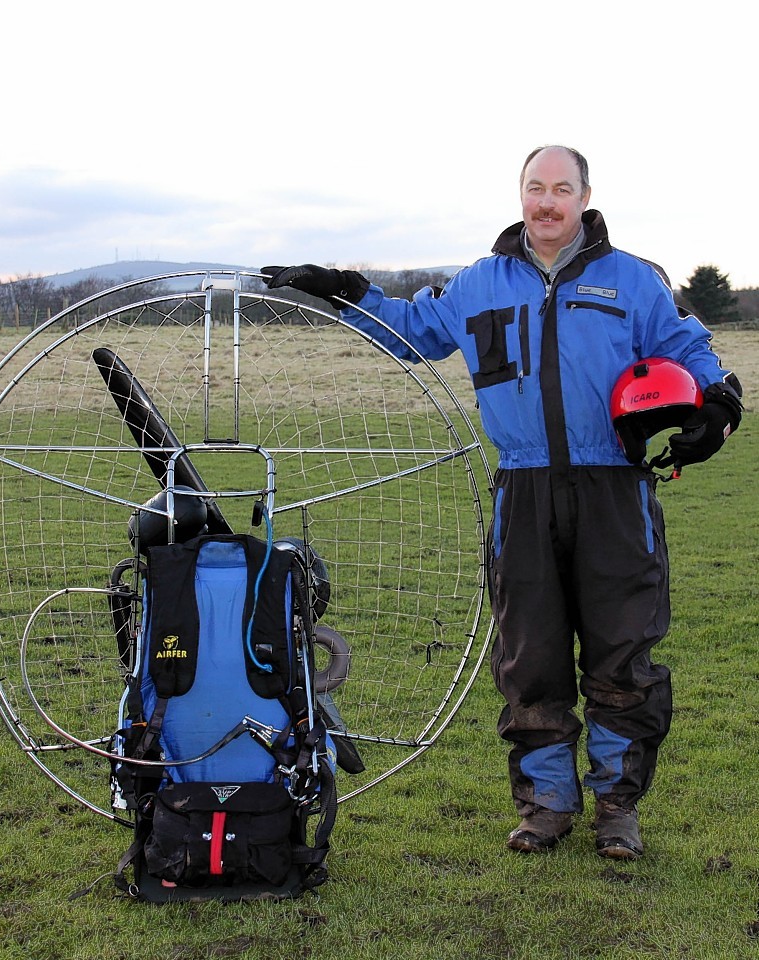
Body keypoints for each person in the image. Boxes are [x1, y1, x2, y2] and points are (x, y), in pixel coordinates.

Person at [261, 145, 743, 860]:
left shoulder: (632, 281)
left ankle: (616, 807)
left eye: (561, 189)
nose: (547, 203)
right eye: (534, 188)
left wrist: (718, 403)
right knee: (530, 657)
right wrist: (341, 290)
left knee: (624, 656)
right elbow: (410, 331)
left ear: (584, 197)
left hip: (614, 490)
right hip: (521, 492)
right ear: (519, 194)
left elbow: (692, 351)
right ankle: (545, 804)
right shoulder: (480, 282)